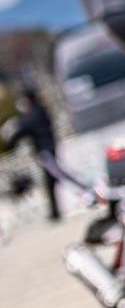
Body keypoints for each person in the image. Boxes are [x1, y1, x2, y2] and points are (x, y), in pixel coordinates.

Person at [8, 87, 60, 221]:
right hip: (46, 150)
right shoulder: (37, 111)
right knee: (51, 180)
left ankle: (56, 211)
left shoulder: (36, 112)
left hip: (46, 151)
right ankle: (55, 211)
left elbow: (25, 127)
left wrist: (11, 140)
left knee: (57, 177)